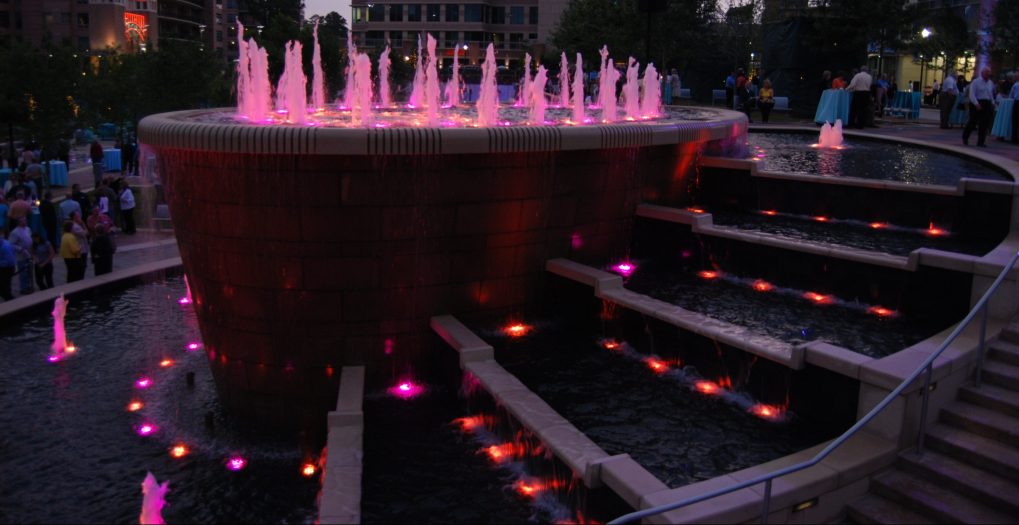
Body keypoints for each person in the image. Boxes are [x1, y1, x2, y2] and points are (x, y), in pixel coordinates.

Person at [963, 67, 996, 147]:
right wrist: (976, 104)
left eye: (989, 73)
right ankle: (965, 137)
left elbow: (990, 94)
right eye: (987, 73)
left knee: (984, 124)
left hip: (986, 103)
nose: (988, 74)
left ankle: (981, 142)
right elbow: (972, 94)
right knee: (972, 122)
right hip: (977, 103)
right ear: (982, 73)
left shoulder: (990, 83)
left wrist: (993, 102)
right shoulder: (976, 82)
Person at [9, 216, 33, 295]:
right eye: (23, 221)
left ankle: (29, 285)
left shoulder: (28, 229)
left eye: (25, 220)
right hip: (21, 255)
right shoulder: (14, 232)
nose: (25, 222)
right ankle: (23, 288)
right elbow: (11, 244)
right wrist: (21, 249)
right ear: (19, 222)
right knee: (23, 272)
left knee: (30, 271)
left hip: (29, 253)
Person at [0, 233, 14, 300]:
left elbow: (10, 262)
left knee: (5, 285)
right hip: (3, 268)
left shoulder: (5, 247)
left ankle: (9, 299)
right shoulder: (4, 243)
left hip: (7, 269)